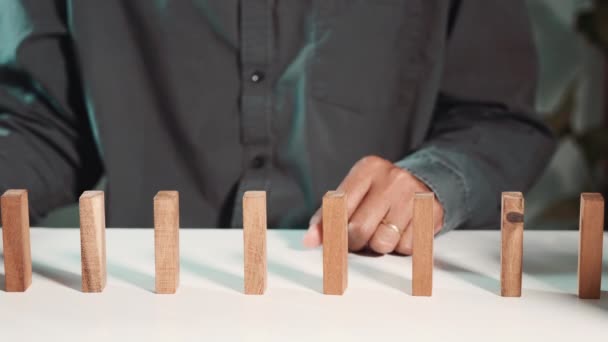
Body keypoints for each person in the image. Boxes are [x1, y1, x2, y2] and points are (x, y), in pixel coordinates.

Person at [0, 1, 555, 255]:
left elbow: (498, 119)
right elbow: (47, 119)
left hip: (376, 302)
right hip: (156, 304)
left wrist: (432, 184)